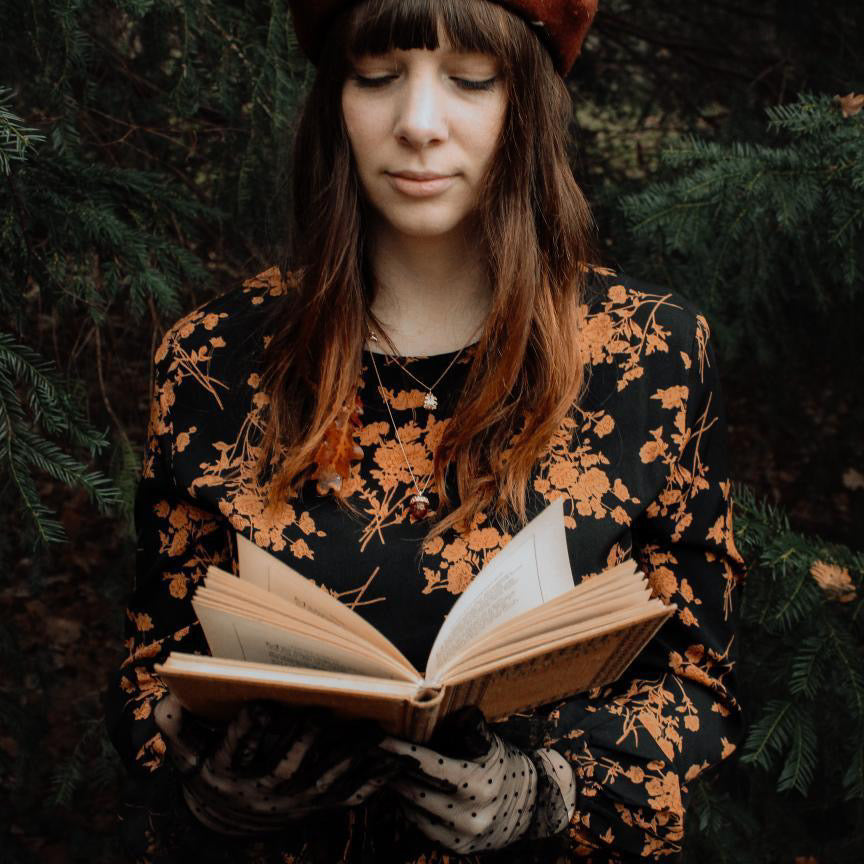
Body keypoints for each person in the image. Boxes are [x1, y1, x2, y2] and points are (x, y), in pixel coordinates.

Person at [103, 1, 748, 862]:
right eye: (377, 79)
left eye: (470, 81)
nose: (416, 124)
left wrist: (552, 790)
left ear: (530, 104)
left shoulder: (652, 355)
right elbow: (155, 665)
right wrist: (207, 795)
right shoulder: (213, 356)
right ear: (335, 98)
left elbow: (699, 681)